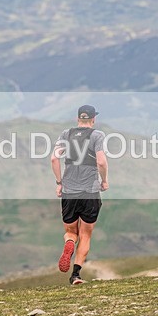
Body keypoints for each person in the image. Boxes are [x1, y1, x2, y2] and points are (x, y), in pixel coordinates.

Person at [51, 104, 109, 285]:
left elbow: (54, 158)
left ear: (78, 118)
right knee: (86, 234)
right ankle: (75, 275)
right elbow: (101, 161)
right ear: (93, 119)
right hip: (90, 192)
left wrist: (59, 183)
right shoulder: (97, 135)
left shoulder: (65, 135)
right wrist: (104, 180)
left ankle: (69, 242)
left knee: (70, 232)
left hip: (69, 191)